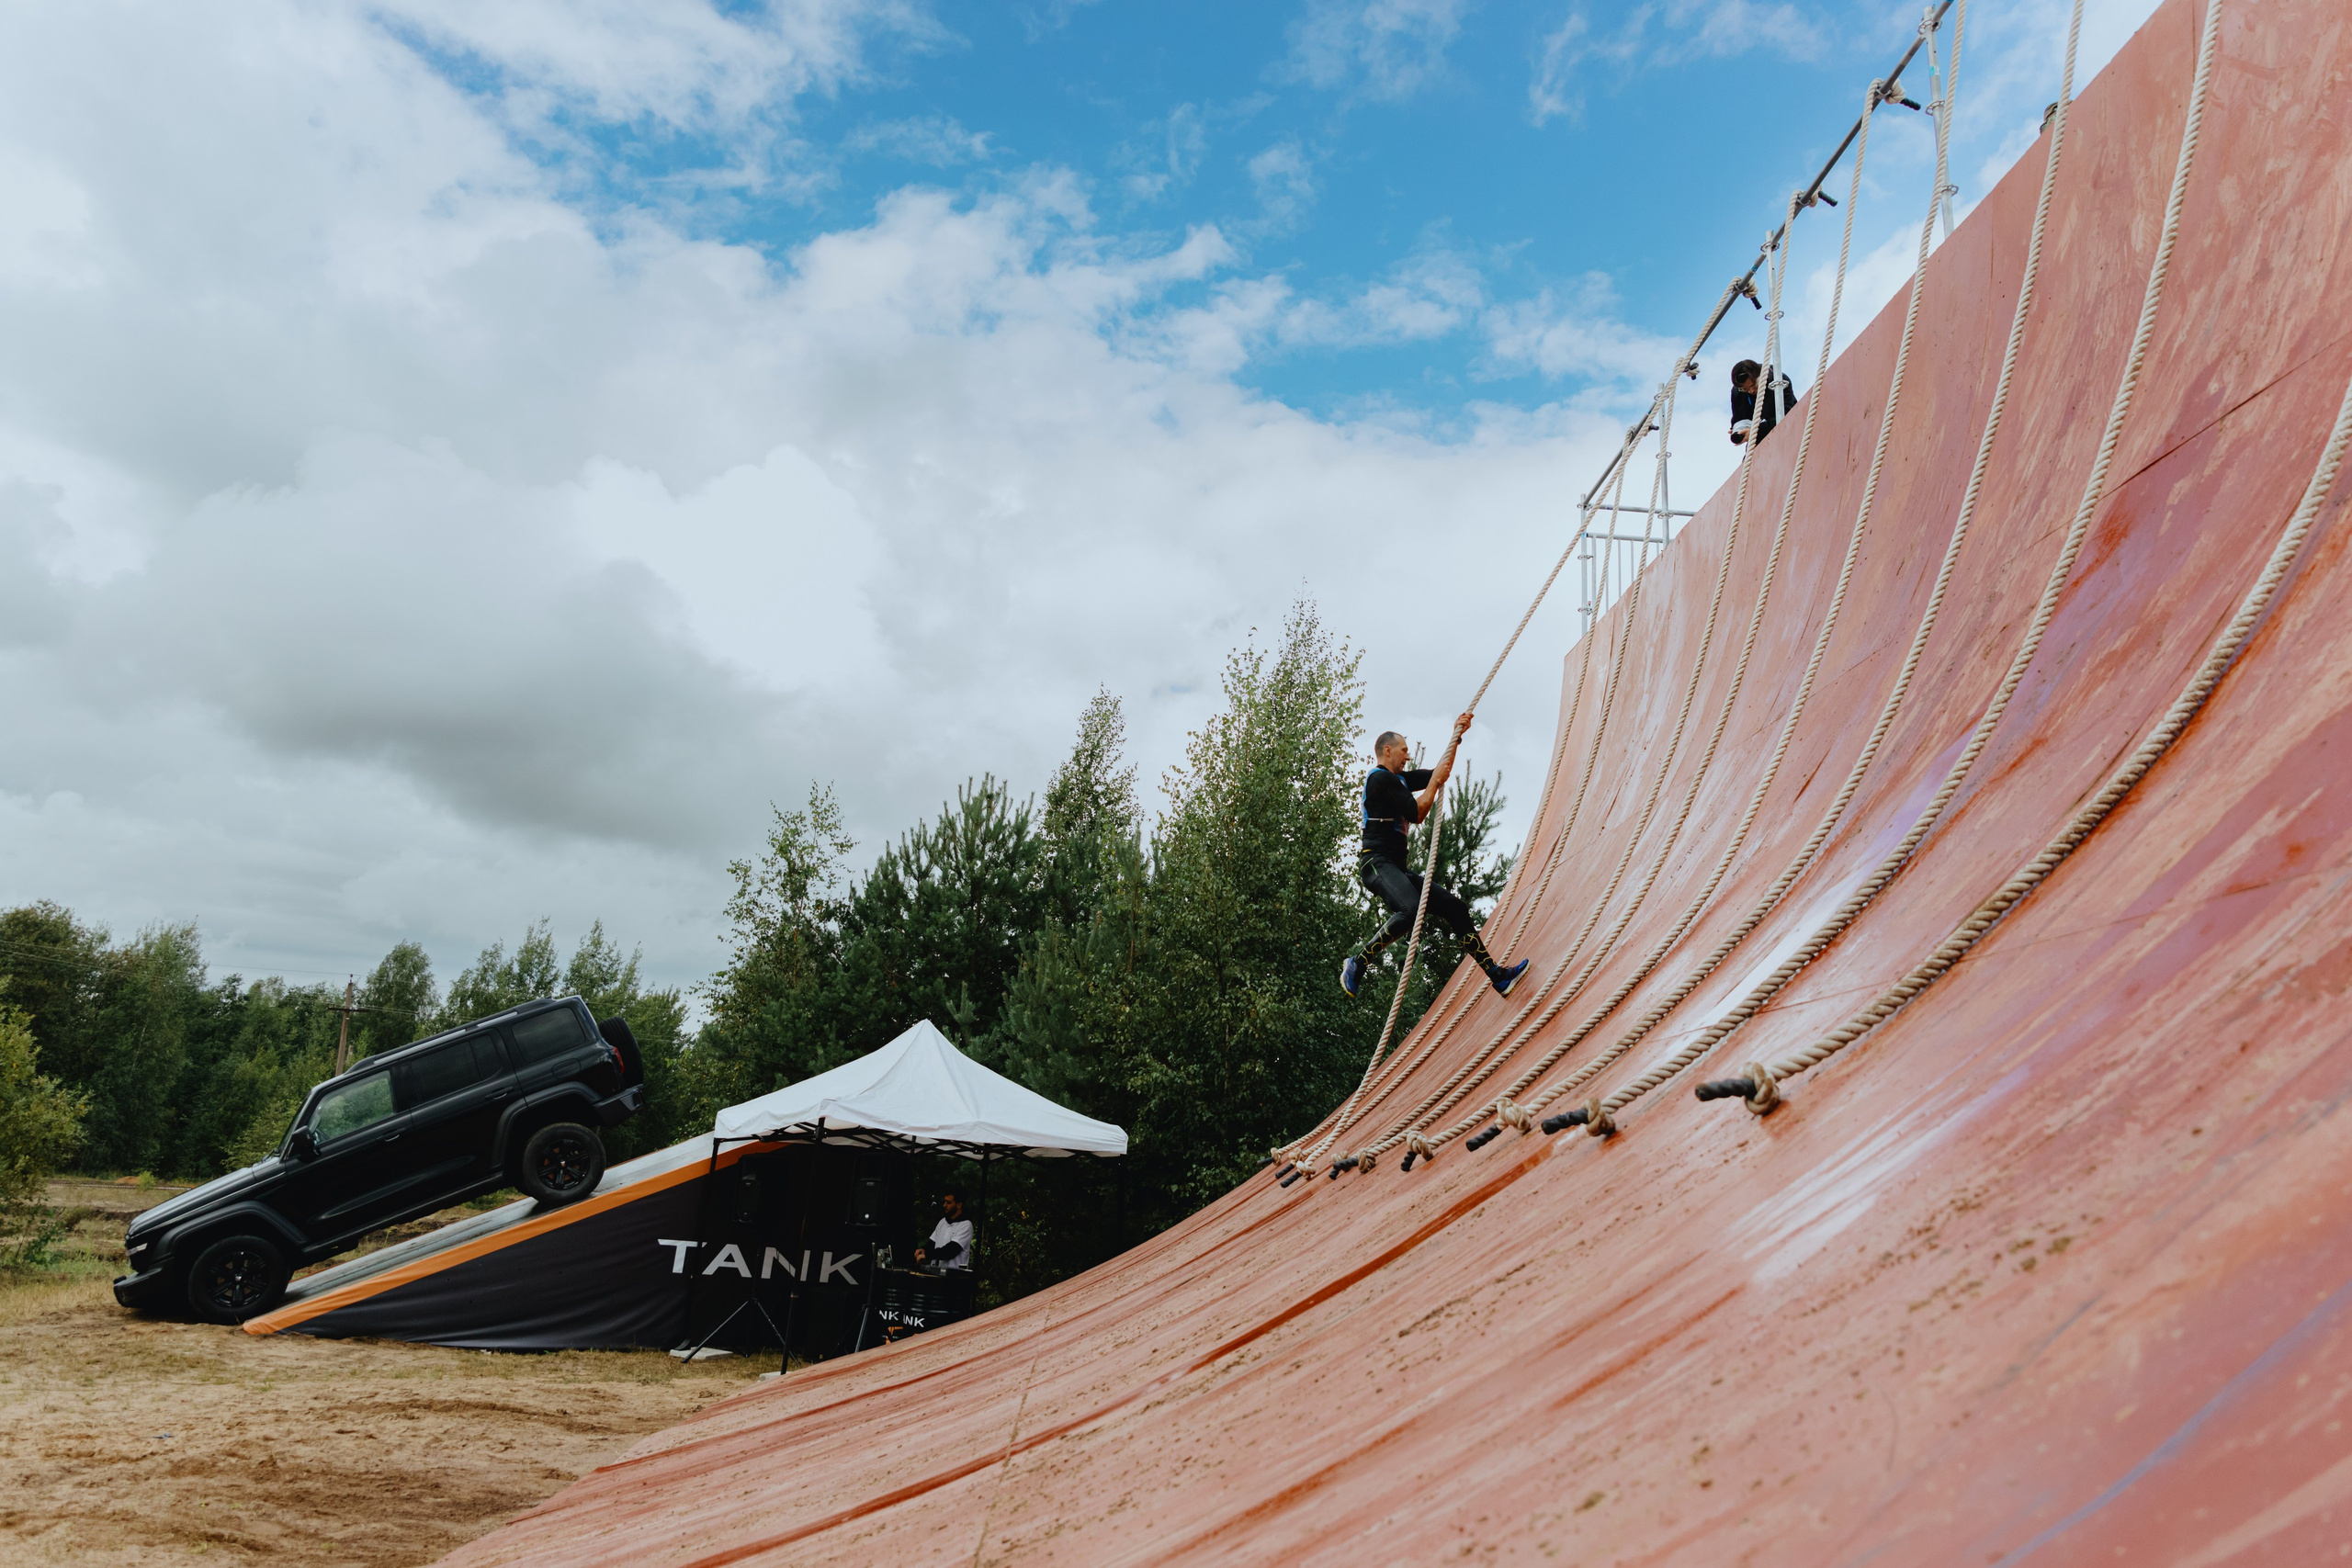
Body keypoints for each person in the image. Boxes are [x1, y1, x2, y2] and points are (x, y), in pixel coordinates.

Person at [1340, 713, 1531, 1000]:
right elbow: (1417, 812)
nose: (1408, 755)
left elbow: (1439, 772)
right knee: (1411, 909)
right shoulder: (1380, 779)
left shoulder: (1400, 780)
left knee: (1456, 908)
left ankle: (1497, 976)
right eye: (1404, 750)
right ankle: (1358, 962)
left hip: (1396, 868)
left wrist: (1457, 736)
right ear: (1387, 750)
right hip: (1376, 863)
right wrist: (1433, 783)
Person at [1729, 359, 1798, 447]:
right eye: (1745, 389)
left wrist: (1756, 431)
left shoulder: (1779, 380)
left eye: (1754, 386)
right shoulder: (1738, 391)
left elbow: (1789, 414)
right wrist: (1736, 429)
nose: (1751, 391)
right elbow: (1739, 417)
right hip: (1761, 427)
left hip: (1787, 425)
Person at [913, 1190, 973, 1273]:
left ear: (959, 1205)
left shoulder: (966, 1225)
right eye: (945, 1202)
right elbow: (932, 1243)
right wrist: (923, 1249)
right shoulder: (942, 1222)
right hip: (936, 1274)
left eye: (948, 1203)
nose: (944, 1205)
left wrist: (927, 1255)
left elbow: (951, 1251)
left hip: (954, 1277)